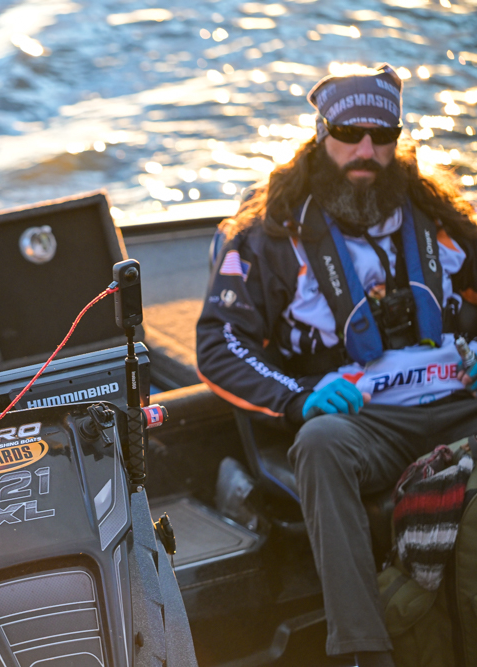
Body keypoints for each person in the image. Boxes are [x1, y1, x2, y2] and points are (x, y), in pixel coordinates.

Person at [196, 64, 477, 667]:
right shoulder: (268, 238)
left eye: (383, 135)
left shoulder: (442, 219)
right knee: (319, 444)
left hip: (458, 403)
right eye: (350, 134)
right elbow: (219, 343)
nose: (366, 151)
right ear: (322, 134)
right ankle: (364, 651)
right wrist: (298, 397)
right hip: (365, 421)